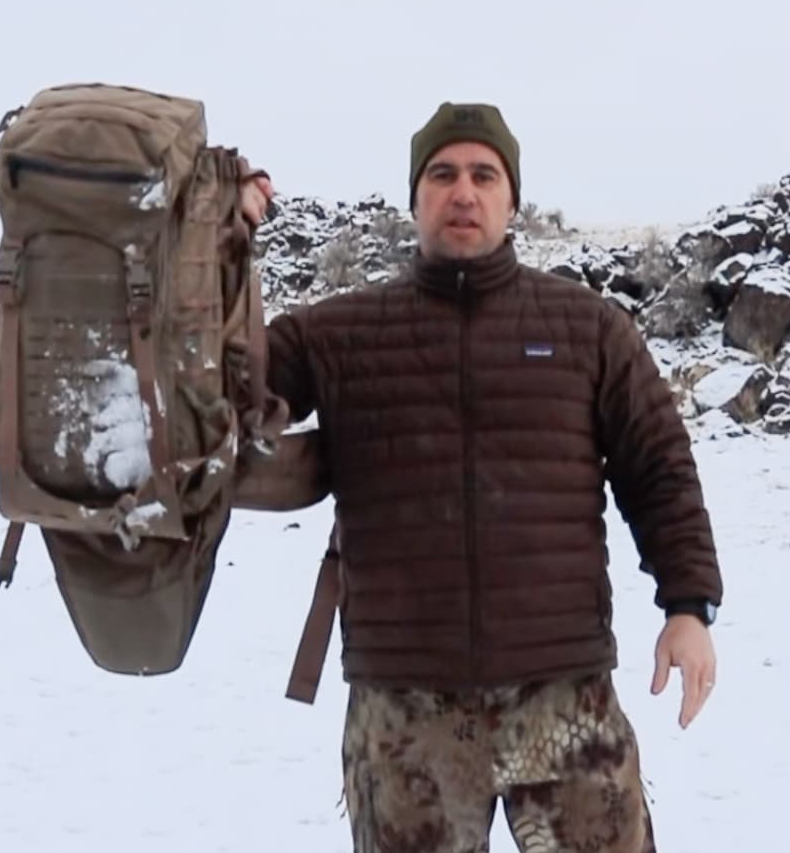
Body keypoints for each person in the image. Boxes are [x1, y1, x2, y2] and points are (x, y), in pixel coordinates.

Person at [237, 102, 724, 852]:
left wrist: (688, 605)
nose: (463, 192)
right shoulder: (337, 334)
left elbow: (659, 467)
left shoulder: (587, 328)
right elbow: (218, 393)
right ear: (415, 199)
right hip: (405, 711)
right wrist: (223, 239)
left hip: (564, 694)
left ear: (511, 200)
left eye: (483, 175)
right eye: (442, 174)